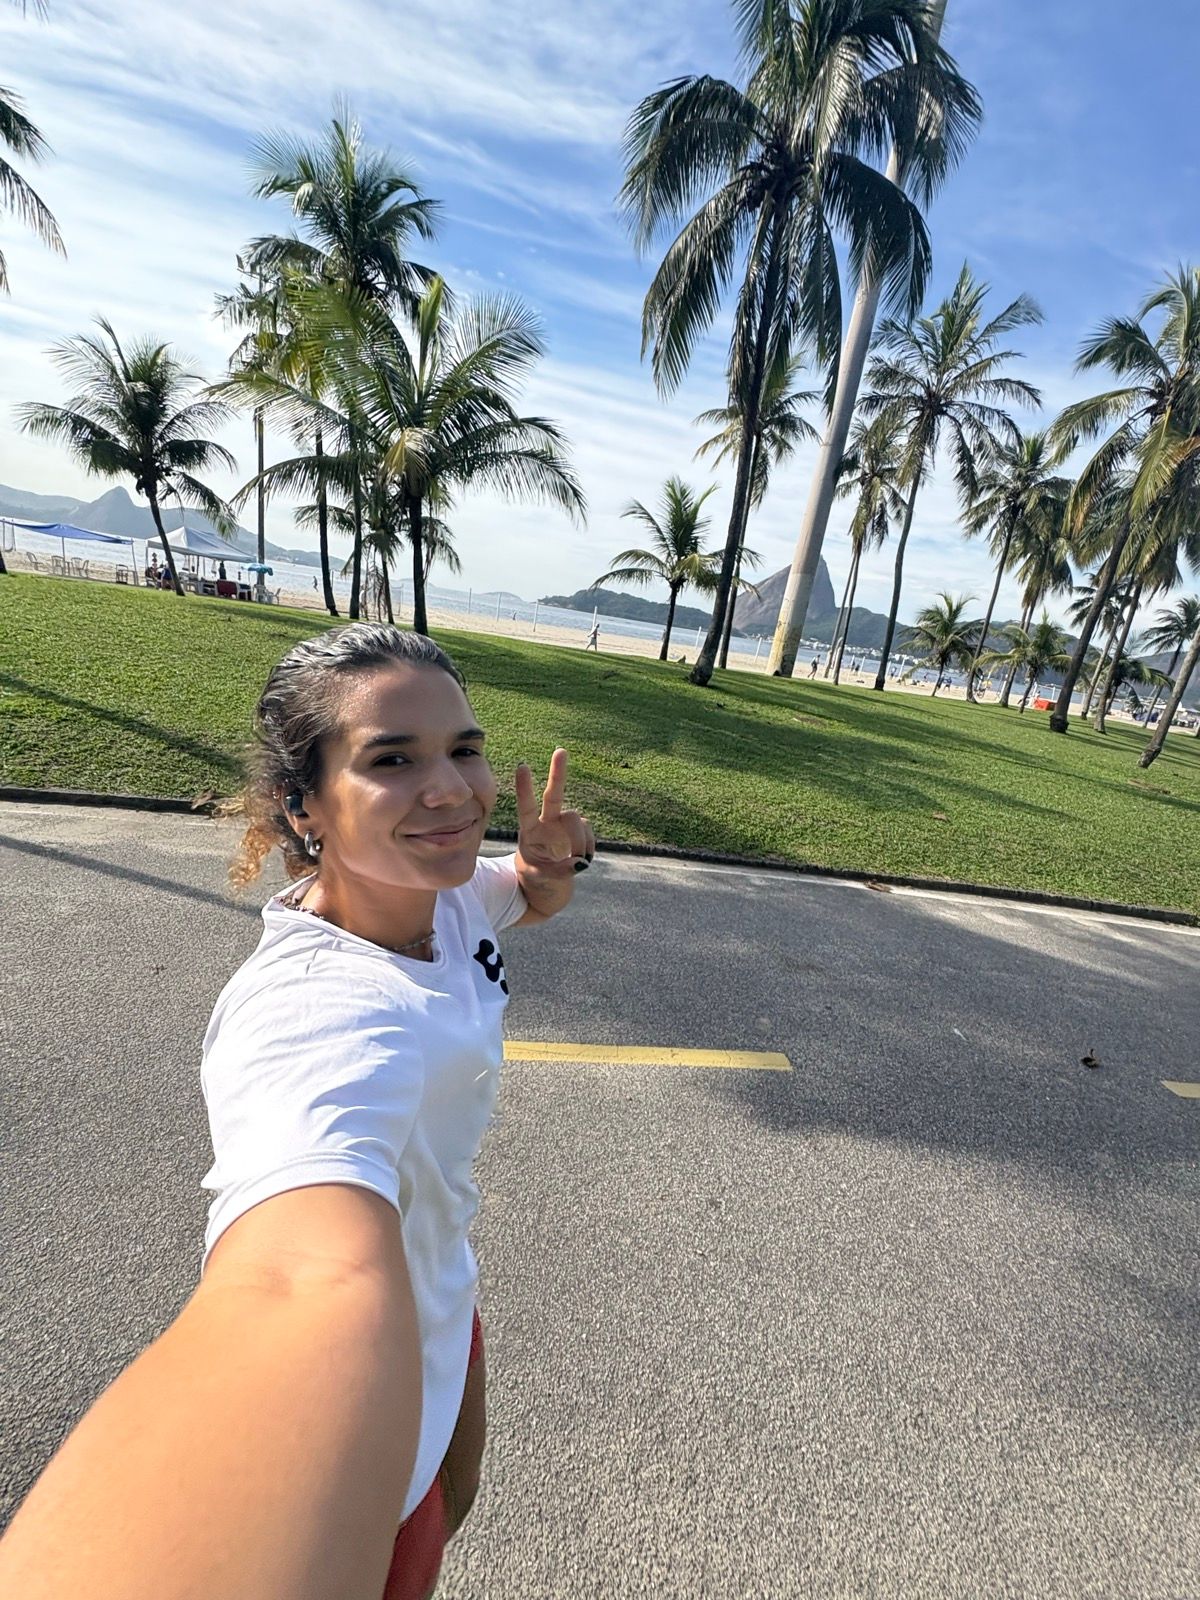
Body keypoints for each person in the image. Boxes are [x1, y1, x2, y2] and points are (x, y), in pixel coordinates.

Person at [0, 622, 595, 1600]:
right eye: (392, 760)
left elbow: (521, 898)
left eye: (464, 749)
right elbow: (293, 1281)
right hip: (364, 1378)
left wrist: (550, 868)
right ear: (303, 803)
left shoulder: (439, 890)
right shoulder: (311, 1010)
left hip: (446, 1304)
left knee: (452, 1499)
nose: (452, 790)